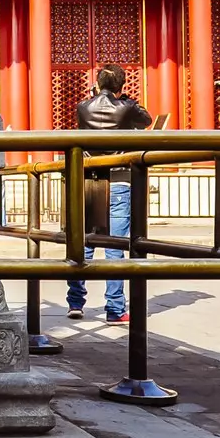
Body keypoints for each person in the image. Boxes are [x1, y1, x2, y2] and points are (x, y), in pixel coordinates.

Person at [65, 65, 151, 325]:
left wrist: (94, 96)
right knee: (115, 247)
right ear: (121, 85)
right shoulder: (126, 107)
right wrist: (124, 100)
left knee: (86, 243)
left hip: (90, 180)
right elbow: (146, 120)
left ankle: (76, 302)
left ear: (97, 83)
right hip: (119, 180)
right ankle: (115, 309)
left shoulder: (83, 106)